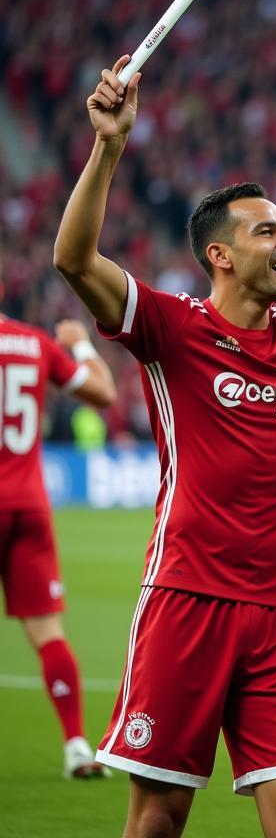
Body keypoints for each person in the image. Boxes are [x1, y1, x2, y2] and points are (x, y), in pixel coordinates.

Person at [53, 54, 276, 838]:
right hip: (187, 599)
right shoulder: (174, 327)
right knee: (159, 816)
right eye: (267, 232)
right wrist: (110, 147)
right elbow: (75, 260)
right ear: (220, 254)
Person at [0, 312, 115, 778]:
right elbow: (104, 393)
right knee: (48, 633)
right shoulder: (34, 342)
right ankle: (75, 746)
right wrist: (82, 345)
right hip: (28, 505)